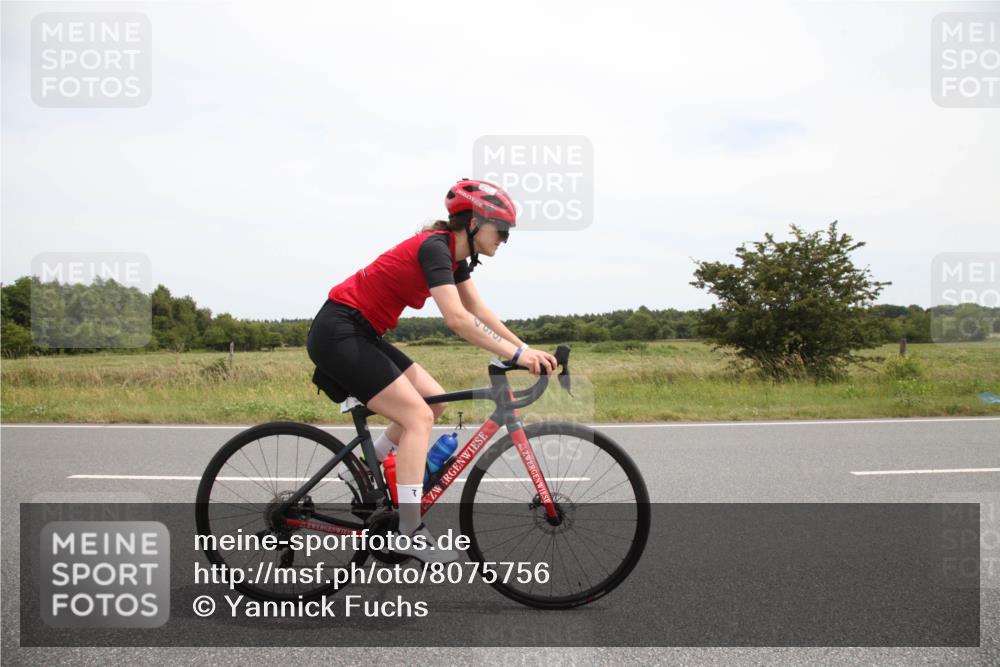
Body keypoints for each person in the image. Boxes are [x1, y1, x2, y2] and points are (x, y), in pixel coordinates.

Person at [306, 178, 558, 563]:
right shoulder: (434, 248)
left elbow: (478, 310)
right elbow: (457, 319)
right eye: (502, 230)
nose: (505, 239)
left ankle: (364, 466)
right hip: (339, 332)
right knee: (418, 417)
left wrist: (523, 349)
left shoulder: (454, 258)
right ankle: (409, 531)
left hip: (361, 332)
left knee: (434, 401)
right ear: (474, 223)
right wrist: (515, 355)